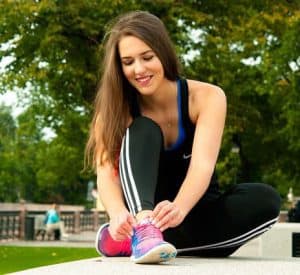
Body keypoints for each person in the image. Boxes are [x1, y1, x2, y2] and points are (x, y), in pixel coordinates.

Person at [85, 11, 281, 264]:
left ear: (163, 54)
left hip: (192, 211)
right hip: (145, 211)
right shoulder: (115, 110)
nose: (139, 69)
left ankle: (138, 242)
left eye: (147, 57)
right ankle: (143, 231)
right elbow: (105, 173)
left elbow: (202, 166)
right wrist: (117, 213)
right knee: (144, 128)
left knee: (266, 200)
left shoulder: (207, 97)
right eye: (128, 62)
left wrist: (179, 208)